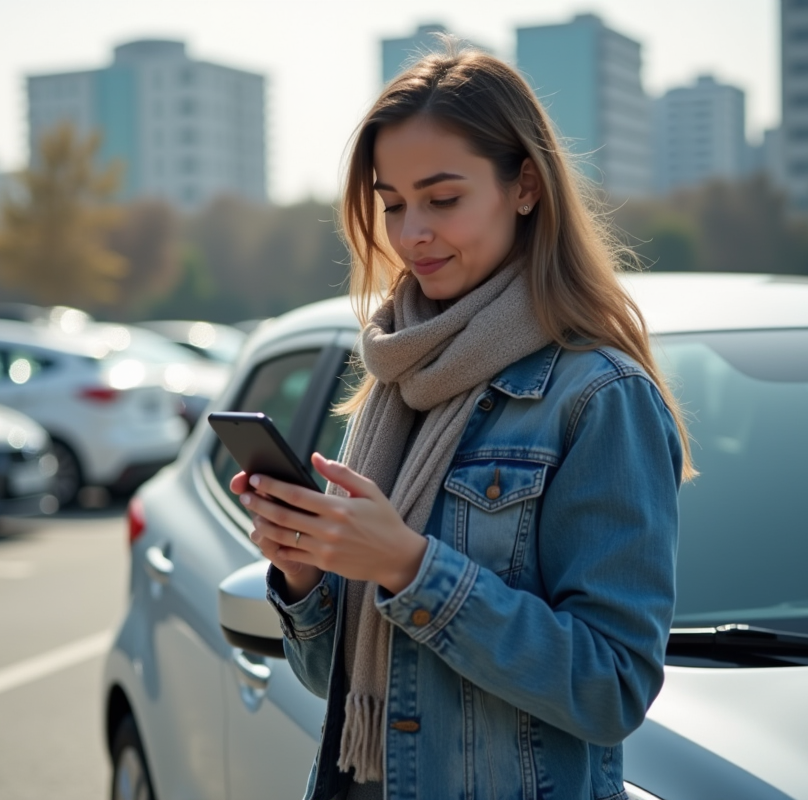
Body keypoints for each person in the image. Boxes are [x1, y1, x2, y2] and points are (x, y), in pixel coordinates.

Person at [230, 45, 693, 800]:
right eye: (392, 203)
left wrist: (411, 570)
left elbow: (612, 689)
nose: (411, 234)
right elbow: (339, 685)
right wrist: (305, 571)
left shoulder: (598, 396)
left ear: (526, 187)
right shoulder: (394, 379)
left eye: (443, 199)